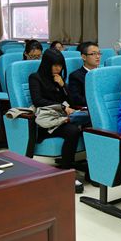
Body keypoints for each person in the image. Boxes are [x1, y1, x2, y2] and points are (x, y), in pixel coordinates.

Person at [28, 48, 84, 193]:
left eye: (60, 65)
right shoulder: (35, 78)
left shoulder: (58, 78)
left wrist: (63, 85)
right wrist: (62, 107)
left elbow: (71, 101)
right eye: (54, 65)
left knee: (86, 125)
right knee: (72, 131)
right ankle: (67, 172)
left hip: (61, 117)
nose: (58, 68)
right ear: (47, 64)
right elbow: (38, 100)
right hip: (45, 122)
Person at [68, 42, 100, 107]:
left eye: (99, 53)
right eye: (93, 54)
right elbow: (77, 100)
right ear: (84, 57)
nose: (98, 56)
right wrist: (98, 102)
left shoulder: (103, 74)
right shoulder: (76, 76)